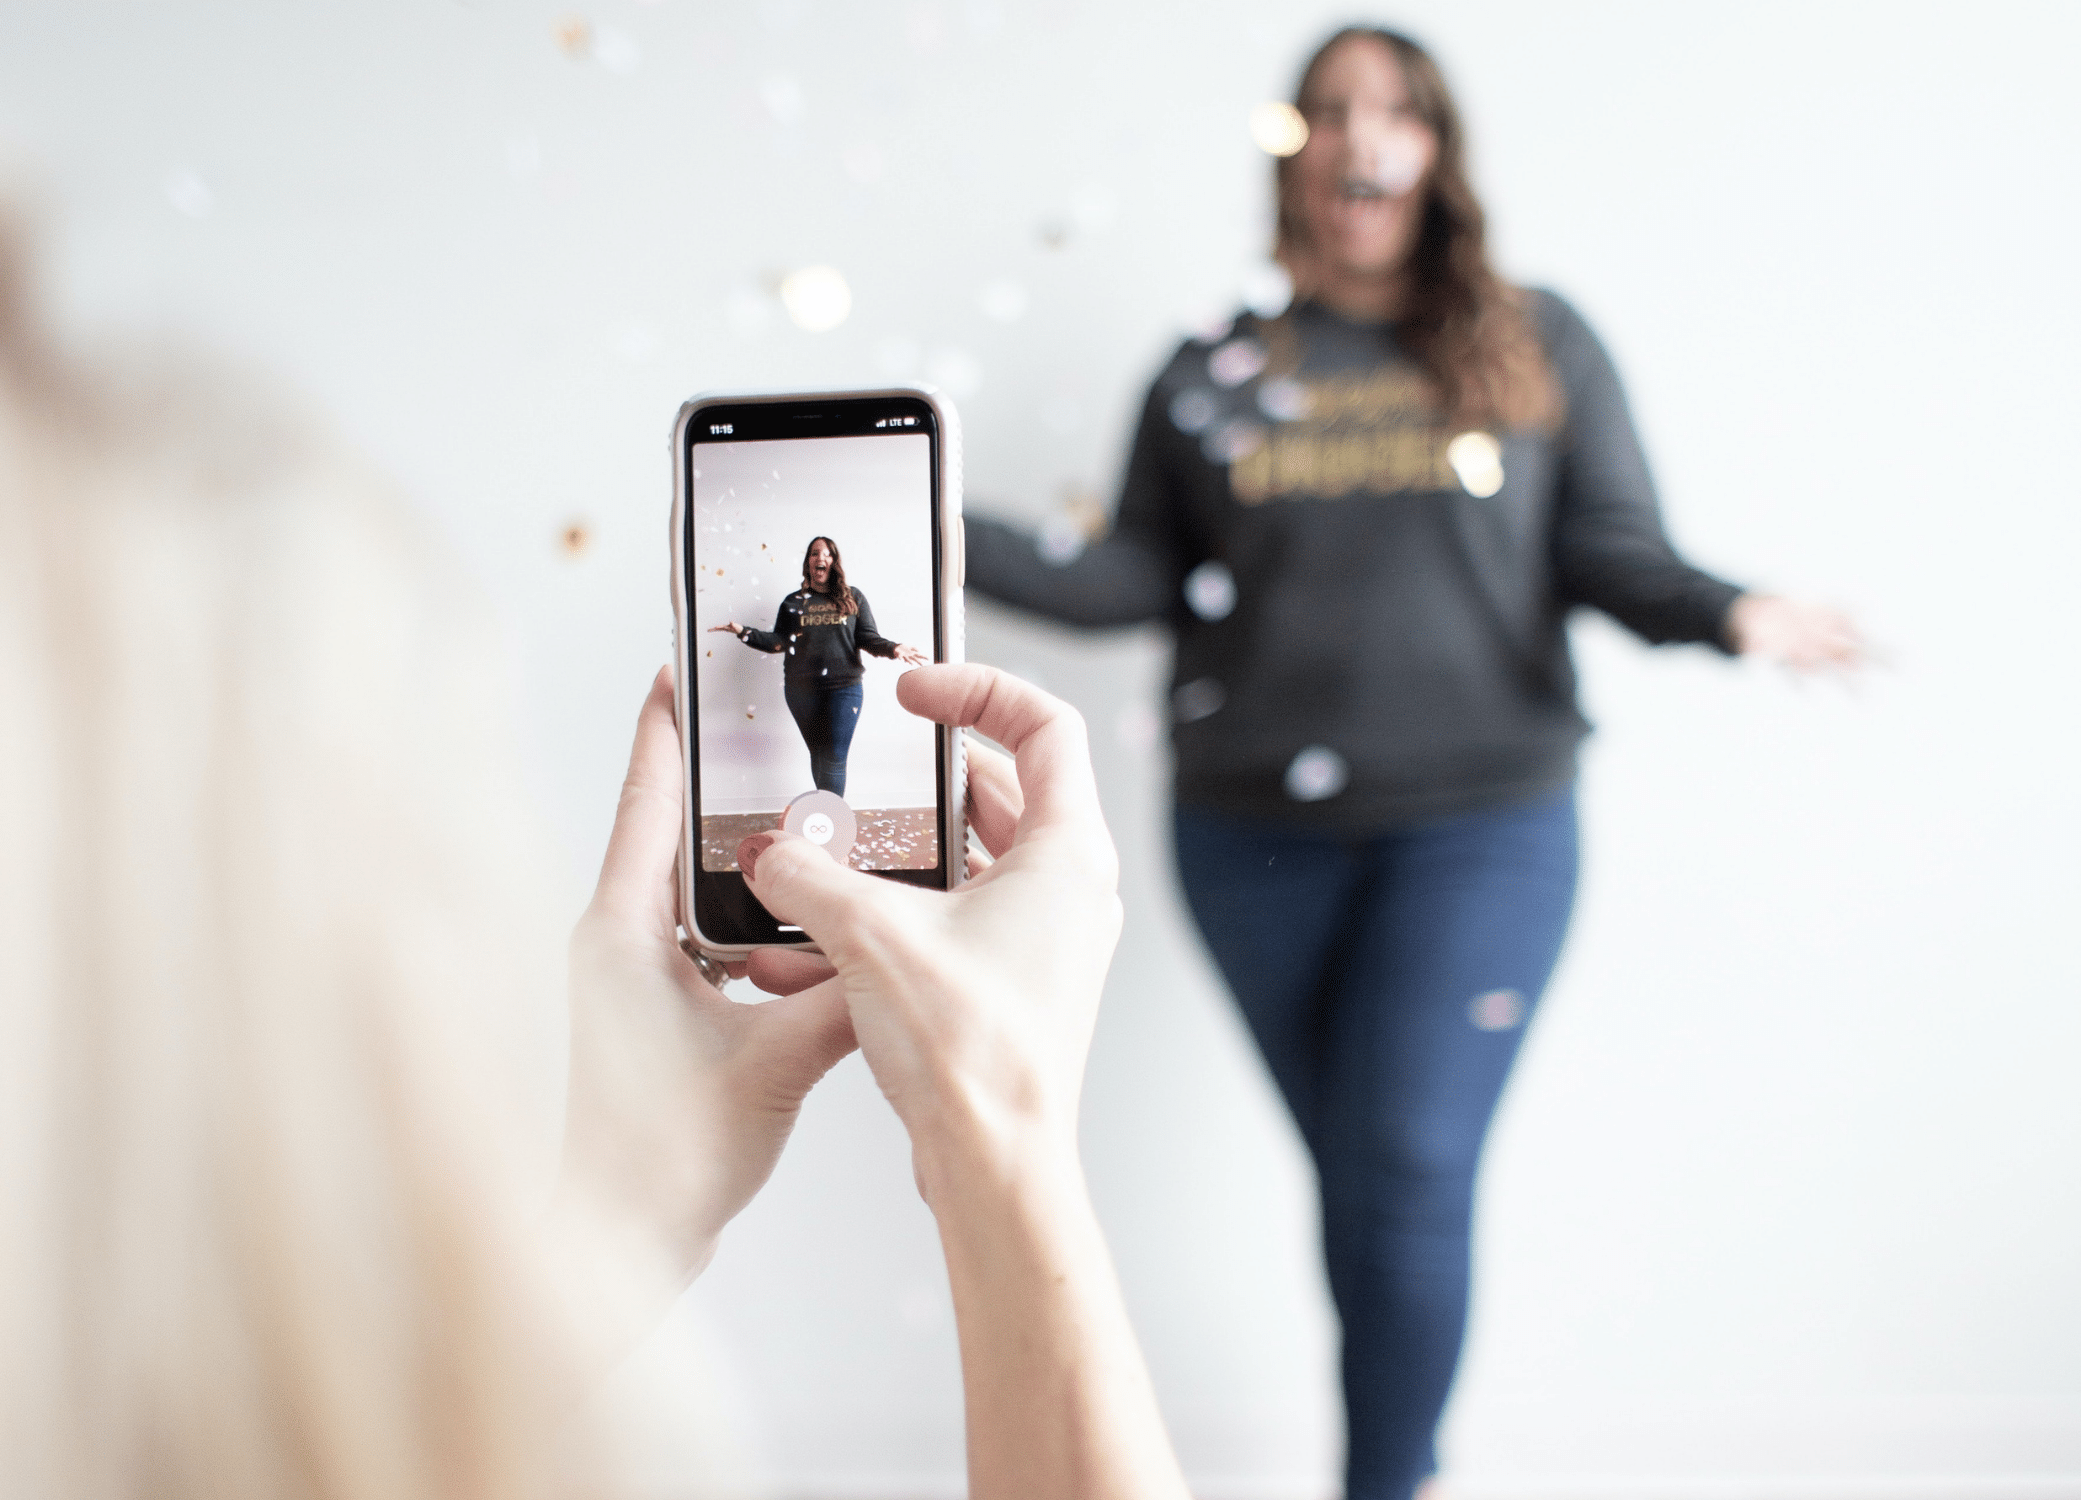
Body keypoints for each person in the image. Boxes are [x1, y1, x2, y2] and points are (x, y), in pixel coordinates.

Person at [0, 202, 1188, 1500]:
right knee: (823, 764)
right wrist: (998, 1128)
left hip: (849, 692)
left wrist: (632, 1189)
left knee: (836, 765)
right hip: (809, 691)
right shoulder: (805, 594)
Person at [964, 26, 1865, 1500]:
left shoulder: (1531, 341)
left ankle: (1389, 1485)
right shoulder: (1211, 365)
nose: (1354, 137)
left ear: (1436, 152)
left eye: (1391, 112)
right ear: (1289, 152)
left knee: (1405, 1165)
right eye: (1323, 113)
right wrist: (933, 526)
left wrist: (1727, 612)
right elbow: (1128, 574)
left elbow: (1610, 552)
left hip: (1483, 822)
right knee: (1372, 1184)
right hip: (1251, 840)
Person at [710, 534, 927, 796]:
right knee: (819, 754)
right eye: (814, 553)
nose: (820, 558)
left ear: (834, 562)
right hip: (801, 691)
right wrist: (744, 632)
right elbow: (778, 642)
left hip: (844, 688)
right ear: (808, 563)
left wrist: (894, 648)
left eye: (826, 553)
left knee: (835, 755)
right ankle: (825, 817)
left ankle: (830, 818)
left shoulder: (853, 599)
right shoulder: (793, 603)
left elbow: (868, 638)